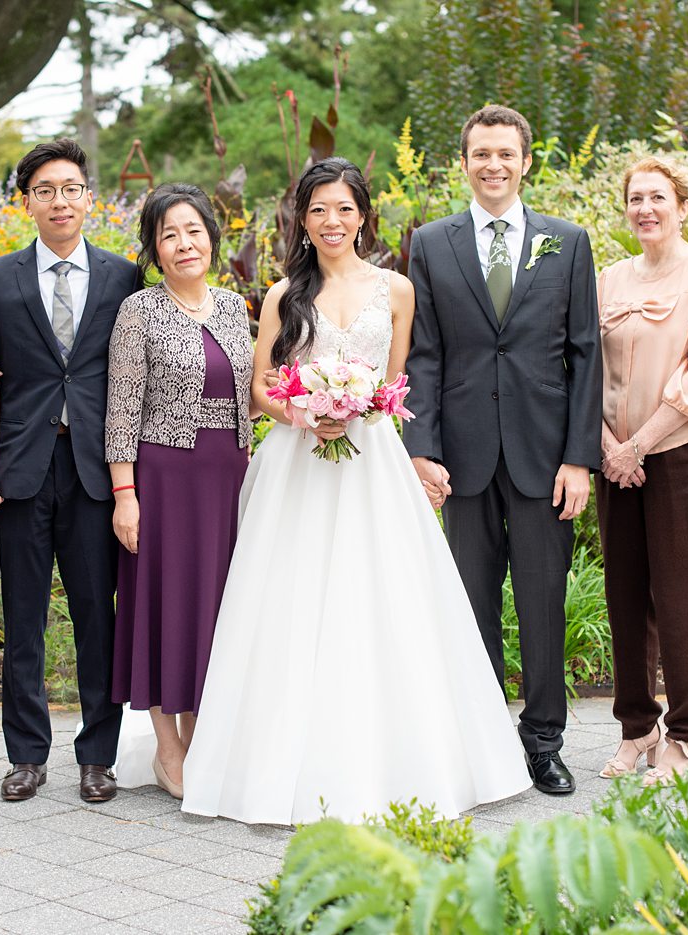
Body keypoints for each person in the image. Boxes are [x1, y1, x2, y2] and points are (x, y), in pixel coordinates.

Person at [181, 157, 530, 825]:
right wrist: (304, 413)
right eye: (317, 210)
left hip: (372, 460)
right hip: (297, 462)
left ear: (363, 215)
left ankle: (400, 762)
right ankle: (273, 763)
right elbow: (259, 387)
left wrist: (361, 406)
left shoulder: (396, 290)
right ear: (301, 220)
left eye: (343, 209)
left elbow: (396, 384)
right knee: (288, 601)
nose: (331, 221)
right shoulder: (284, 294)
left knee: (384, 598)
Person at [403, 105, 603, 796]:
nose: (493, 165)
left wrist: (579, 458)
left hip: (545, 457)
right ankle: (486, 741)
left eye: (505, 154)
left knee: (544, 601)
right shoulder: (431, 243)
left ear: (525, 162)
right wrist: (420, 447)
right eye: (481, 153)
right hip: (461, 456)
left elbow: (585, 355)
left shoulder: (568, 242)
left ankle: (544, 741)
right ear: (464, 161)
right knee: (471, 603)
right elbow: (424, 354)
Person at [0, 140, 140, 803]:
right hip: (21, 469)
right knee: (23, 618)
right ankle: (26, 755)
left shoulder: (123, 278)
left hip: (94, 470)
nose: (60, 200)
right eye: (45, 190)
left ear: (90, 197)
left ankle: (98, 756)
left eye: (71, 188)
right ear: (24, 201)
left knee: (97, 617)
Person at [104, 184, 255, 799]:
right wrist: (125, 494)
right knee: (163, 604)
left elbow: (257, 391)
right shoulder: (140, 311)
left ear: (211, 239)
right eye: (170, 234)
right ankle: (169, 746)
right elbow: (120, 408)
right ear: (155, 249)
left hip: (228, 479)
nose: (184, 243)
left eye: (193, 230)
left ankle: (205, 736)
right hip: (165, 475)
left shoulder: (232, 306)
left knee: (213, 609)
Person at [594, 156, 688, 784]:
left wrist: (639, 446)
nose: (645, 208)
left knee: (680, 598)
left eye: (658, 197)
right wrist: (606, 444)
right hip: (614, 456)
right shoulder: (608, 279)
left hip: (685, 451)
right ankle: (638, 728)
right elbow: (585, 370)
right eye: (635, 198)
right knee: (625, 598)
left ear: (682, 207)